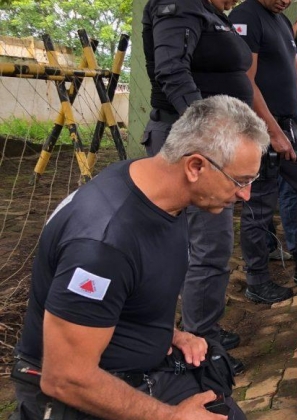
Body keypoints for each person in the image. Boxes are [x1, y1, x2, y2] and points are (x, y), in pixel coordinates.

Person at [11, 96, 264, 420]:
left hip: (131, 364)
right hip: (75, 393)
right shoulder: (102, 245)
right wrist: (170, 417)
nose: (246, 195)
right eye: (240, 181)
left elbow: (125, 296)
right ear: (196, 166)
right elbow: (64, 377)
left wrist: (166, 334)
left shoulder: (155, 189)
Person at [140, 0, 252, 371]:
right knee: (206, 244)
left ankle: (203, 328)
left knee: (211, 244)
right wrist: (208, 135)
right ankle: (200, 345)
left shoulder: (212, 12)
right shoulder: (180, 6)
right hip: (194, 144)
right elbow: (172, 70)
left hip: (211, 145)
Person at [230, 0, 297, 302]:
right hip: (258, 128)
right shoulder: (246, 15)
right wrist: (272, 130)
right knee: (259, 205)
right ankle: (257, 280)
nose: (285, 1)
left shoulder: (283, 23)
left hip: (289, 126)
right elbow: (245, 80)